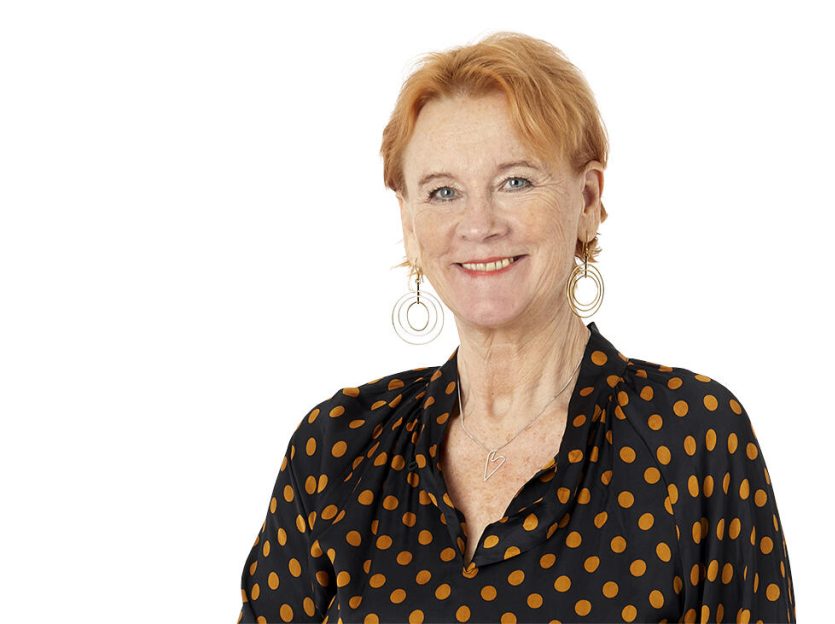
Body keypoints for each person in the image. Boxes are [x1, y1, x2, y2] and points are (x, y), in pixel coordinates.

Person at [238, 31, 796, 624]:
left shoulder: (690, 437)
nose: (478, 224)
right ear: (408, 223)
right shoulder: (338, 449)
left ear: (587, 200)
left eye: (516, 182)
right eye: (443, 192)